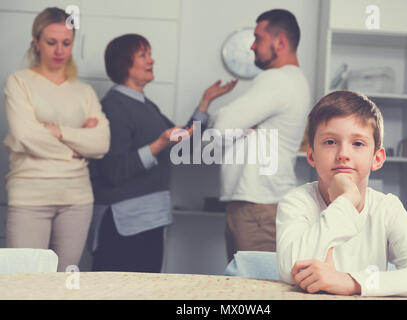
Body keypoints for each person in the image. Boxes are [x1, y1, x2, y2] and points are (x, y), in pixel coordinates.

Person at [276, 90, 407, 298]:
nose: (343, 155)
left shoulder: (387, 208)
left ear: (377, 158)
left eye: (358, 143)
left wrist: (351, 282)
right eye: (330, 142)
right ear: (312, 155)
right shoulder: (296, 202)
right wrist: (345, 202)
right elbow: (290, 270)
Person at [89, 33, 236, 272]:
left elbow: (184, 145)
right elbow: (113, 171)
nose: (152, 61)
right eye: (143, 55)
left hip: (147, 219)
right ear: (124, 64)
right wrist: (158, 145)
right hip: (124, 224)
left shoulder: (146, 106)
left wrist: (205, 102)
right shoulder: (113, 106)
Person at [3, 7, 110, 272]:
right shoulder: (19, 82)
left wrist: (59, 132)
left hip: (77, 198)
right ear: (36, 42)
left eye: (66, 43)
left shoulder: (84, 92)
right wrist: (77, 149)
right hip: (29, 195)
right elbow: (25, 135)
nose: (60, 50)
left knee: (65, 281)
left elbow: (101, 143)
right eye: (51, 42)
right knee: (23, 281)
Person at [201, 9, 311, 261]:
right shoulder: (289, 80)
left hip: (258, 207)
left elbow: (221, 126)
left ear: (280, 42)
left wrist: (230, 120)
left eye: (258, 38)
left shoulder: (279, 79)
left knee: (255, 291)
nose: (252, 45)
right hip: (255, 204)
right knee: (246, 286)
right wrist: (239, 123)